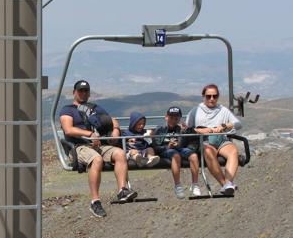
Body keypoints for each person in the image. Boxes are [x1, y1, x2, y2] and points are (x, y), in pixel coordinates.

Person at [60, 80, 137, 217]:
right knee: (97, 159)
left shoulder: (95, 108)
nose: (83, 93)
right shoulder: (68, 110)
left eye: (86, 91)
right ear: (74, 93)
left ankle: (122, 190)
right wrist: (89, 134)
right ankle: (95, 201)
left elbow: (111, 119)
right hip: (79, 146)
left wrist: (115, 131)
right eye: (80, 91)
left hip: (98, 145)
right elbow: (68, 129)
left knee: (120, 153)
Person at [186, 84, 242, 195]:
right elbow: (187, 129)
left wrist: (224, 126)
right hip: (205, 141)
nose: (212, 99)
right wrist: (202, 130)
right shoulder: (195, 111)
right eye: (208, 96)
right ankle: (224, 184)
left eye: (214, 96)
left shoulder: (223, 110)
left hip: (220, 139)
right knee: (208, 152)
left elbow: (238, 124)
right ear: (203, 96)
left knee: (233, 151)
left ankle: (228, 183)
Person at [153, 106, 201, 199]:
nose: (173, 120)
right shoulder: (159, 130)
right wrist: (168, 146)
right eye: (171, 118)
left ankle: (195, 184)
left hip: (180, 148)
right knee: (175, 155)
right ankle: (178, 185)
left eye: (176, 118)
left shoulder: (181, 129)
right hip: (166, 150)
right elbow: (156, 147)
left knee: (193, 156)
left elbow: (194, 139)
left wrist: (188, 130)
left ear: (179, 119)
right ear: (166, 117)